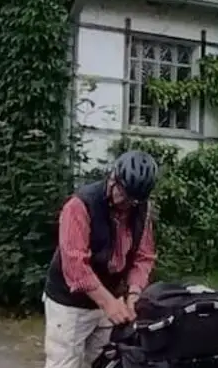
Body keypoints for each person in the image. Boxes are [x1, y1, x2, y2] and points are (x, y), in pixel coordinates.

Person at [43, 150, 159, 368]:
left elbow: (144, 257)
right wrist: (109, 304)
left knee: (107, 363)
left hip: (111, 298)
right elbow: (76, 266)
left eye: (133, 201)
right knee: (65, 363)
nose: (125, 204)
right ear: (113, 178)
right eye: (123, 195)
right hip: (70, 304)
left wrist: (134, 293)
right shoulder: (80, 205)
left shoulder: (140, 208)